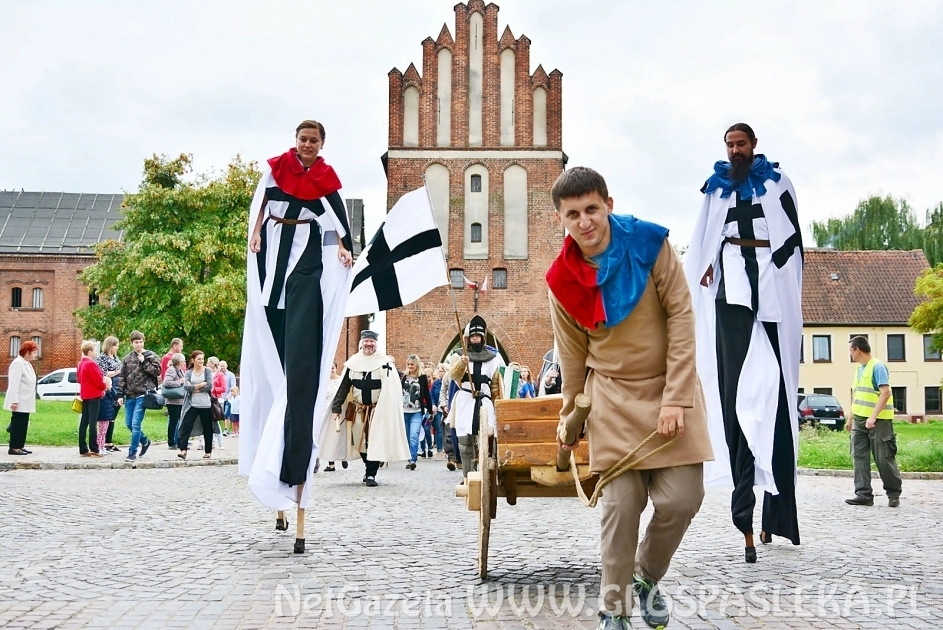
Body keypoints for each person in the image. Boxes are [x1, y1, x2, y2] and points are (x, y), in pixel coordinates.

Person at [546, 166, 713, 630]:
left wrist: (676, 399)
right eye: (573, 214)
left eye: (592, 209)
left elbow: (681, 315)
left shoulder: (649, 243)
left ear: (608, 205)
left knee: (683, 499)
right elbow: (573, 356)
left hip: (667, 389)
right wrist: (570, 418)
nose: (585, 222)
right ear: (562, 218)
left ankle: (646, 577)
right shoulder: (560, 280)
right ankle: (613, 610)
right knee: (620, 508)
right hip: (613, 399)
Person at [684, 123, 803, 562]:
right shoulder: (715, 190)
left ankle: (779, 512)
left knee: (777, 400)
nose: (735, 150)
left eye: (741, 144)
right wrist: (707, 268)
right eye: (730, 145)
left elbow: (792, 238)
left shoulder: (777, 183)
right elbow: (702, 241)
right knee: (733, 399)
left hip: (771, 289)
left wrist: (783, 276)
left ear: (754, 146)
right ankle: (743, 513)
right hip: (731, 292)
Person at [240, 119, 354, 554]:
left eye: (314, 140)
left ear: (322, 145)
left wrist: (344, 246)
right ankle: (274, 481)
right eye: (302, 139)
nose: (307, 145)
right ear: (296, 141)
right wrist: (254, 235)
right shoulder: (275, 170)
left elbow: (339, 220)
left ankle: (293, 472)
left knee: (301, 333)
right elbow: (260, 208)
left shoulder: (325, 179)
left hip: (305, 256)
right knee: (272, 318)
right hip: (273, 248)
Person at [331, 330, 409, 487]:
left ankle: (371, 474)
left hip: (378, 410)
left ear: (375, 344)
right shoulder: (353, 363)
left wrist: (386, 408)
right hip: (359, 410)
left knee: (376, 440)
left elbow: (392, 389)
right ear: (361, 343)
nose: (368, 344)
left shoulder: (385, 363)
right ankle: (368, 468)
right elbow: (344, 386)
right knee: (359, 440)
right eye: (366, 341)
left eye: (371, 342)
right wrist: (336, 407)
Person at [845, 336, 903, 508]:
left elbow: (885, 393)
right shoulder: (858, 370)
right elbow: (857, 396)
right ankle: (863, 495)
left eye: (850, 350)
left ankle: (893, 494)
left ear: (857, 349)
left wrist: (873, 417)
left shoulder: (877, 367)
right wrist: (851, 418)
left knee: (884, 458)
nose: (850, 354)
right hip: (860, 421)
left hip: (879, 421)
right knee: (859, 456)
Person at [446, 315, 505, 479]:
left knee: (486, 439)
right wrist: (462, 364)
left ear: (483, 338)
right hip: (466, 399)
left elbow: (495, 384)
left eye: (478, 336)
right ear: (468, 338)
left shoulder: (494, 359)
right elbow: (455, 376)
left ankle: (485, 477)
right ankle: (468, 477)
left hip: (484, 401)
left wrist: (497, 401)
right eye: (472, 336)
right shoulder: (458, 356)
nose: (475, 339)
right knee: (465, 442)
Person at [116, 331, 161, 463]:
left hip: (143, 394)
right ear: (132, 343)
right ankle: (145, 441)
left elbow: (157, 372)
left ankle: (132, 452)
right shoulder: (127, 358)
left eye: (141, 342)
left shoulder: (150, 355)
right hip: (130, 395)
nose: (139, 345)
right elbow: (122, 377)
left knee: (136, 424)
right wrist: (120, 394)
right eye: (136, 342)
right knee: (129, 423)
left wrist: (144, 362)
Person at [176, 351, 215, 460]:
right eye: (199, 359)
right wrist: (199, 385)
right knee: (186, 426)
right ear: (193, 360)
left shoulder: (207, 371)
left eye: (203, 359)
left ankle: (208, 451)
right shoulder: (189, 372)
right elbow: (186, 387)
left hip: (205, 405)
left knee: (207, 428)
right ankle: (183, 450)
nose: (201, 361)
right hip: (192, 404)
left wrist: (194, 387)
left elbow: (209, 386)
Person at [5, 340, 38, 455]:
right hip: (19, 400)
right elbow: (14, 383)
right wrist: (14, 401)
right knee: (18, 424)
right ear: (27, 352)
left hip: (26, 400)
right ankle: (14, 447)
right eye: (34, 352)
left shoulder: (26, 363)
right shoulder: (18, 363)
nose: (35, 355)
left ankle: (20, 445)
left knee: (23, 424)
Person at [402, 355, 433, 469]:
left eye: (412, 364)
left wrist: (430, 410)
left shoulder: (422, 377)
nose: (410, 366)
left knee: (414, 435)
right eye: (408, 364)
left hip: (417, 411)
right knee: (407, 435)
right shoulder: (404, 376)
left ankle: (412, 459)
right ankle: (410, 457)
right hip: (404, 410)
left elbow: (426, 394)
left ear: (417, 365)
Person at [77, 340, 107, 458]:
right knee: (93, 422)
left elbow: (79, 379)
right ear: (89, 352)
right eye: (94, 350)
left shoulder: (81, 364)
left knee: (84, 422)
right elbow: (98, 381)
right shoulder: (91, 364)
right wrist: (104, 387)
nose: (95, 353)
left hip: (85, 394)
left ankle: (83, 448)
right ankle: (94, 448)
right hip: (94, 395)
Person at [96, 336, 123, 453]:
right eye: (115, 345)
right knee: (107, 417)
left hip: (118, 389)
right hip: (108, 391)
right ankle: (103, 443)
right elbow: (103, 374)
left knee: (113, 417)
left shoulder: (117, 358)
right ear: (110, 346)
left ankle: (109, 442)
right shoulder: (102, 358)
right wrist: (117, 372)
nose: (117, 347)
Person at [162, 353, 187, 449]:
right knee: (173, 421)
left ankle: (180, 442)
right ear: (179, 362)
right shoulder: (172, 370)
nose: (184, 362)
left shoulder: (180, 370)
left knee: (181, 421)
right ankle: (171, 442)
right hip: (173, 401)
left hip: (180, 400)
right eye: (183, 361)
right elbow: (166, 382)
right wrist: (179, 382)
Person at [207, 356, 225, 450]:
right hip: (208, 399)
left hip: (217, 400)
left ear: (213, 364)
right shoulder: (207, 374)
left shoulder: (220, 375)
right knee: (209, 421)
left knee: (216, 421)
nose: (207, 364)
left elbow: (223, 388)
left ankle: (220, 442)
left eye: (209, 363)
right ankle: (212, 442)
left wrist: (214, 389)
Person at [97, 377, 120, 454]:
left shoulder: (108, 392)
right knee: (101, 432)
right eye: (110, 384)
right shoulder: (103, 393)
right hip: (103, 415)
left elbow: (115, 395)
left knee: (104, 432)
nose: (111, 386)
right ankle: (99, 447)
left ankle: (102, 447)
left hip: (107, 415)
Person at [429, 366, 445, 459]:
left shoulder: (450, 381)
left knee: (448, 430)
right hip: (438, 409)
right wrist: (433, 404)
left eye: (441, 371)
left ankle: (448, 450)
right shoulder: (436, 383)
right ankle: (439, 450)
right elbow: (431, 395)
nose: (439, 372)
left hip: (447, 408)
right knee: (439, 429)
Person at [219, 360, 236, 435]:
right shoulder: (218, 374)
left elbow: (233, 386)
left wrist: (230, 394)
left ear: (227, 366)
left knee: (226, 413)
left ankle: (226, 429)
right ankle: (223, 429)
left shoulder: (230, 375)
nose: (222, 367)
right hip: (219, 397)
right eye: (221, 365)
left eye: (223, 365)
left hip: (227, 397)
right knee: (221, 414)